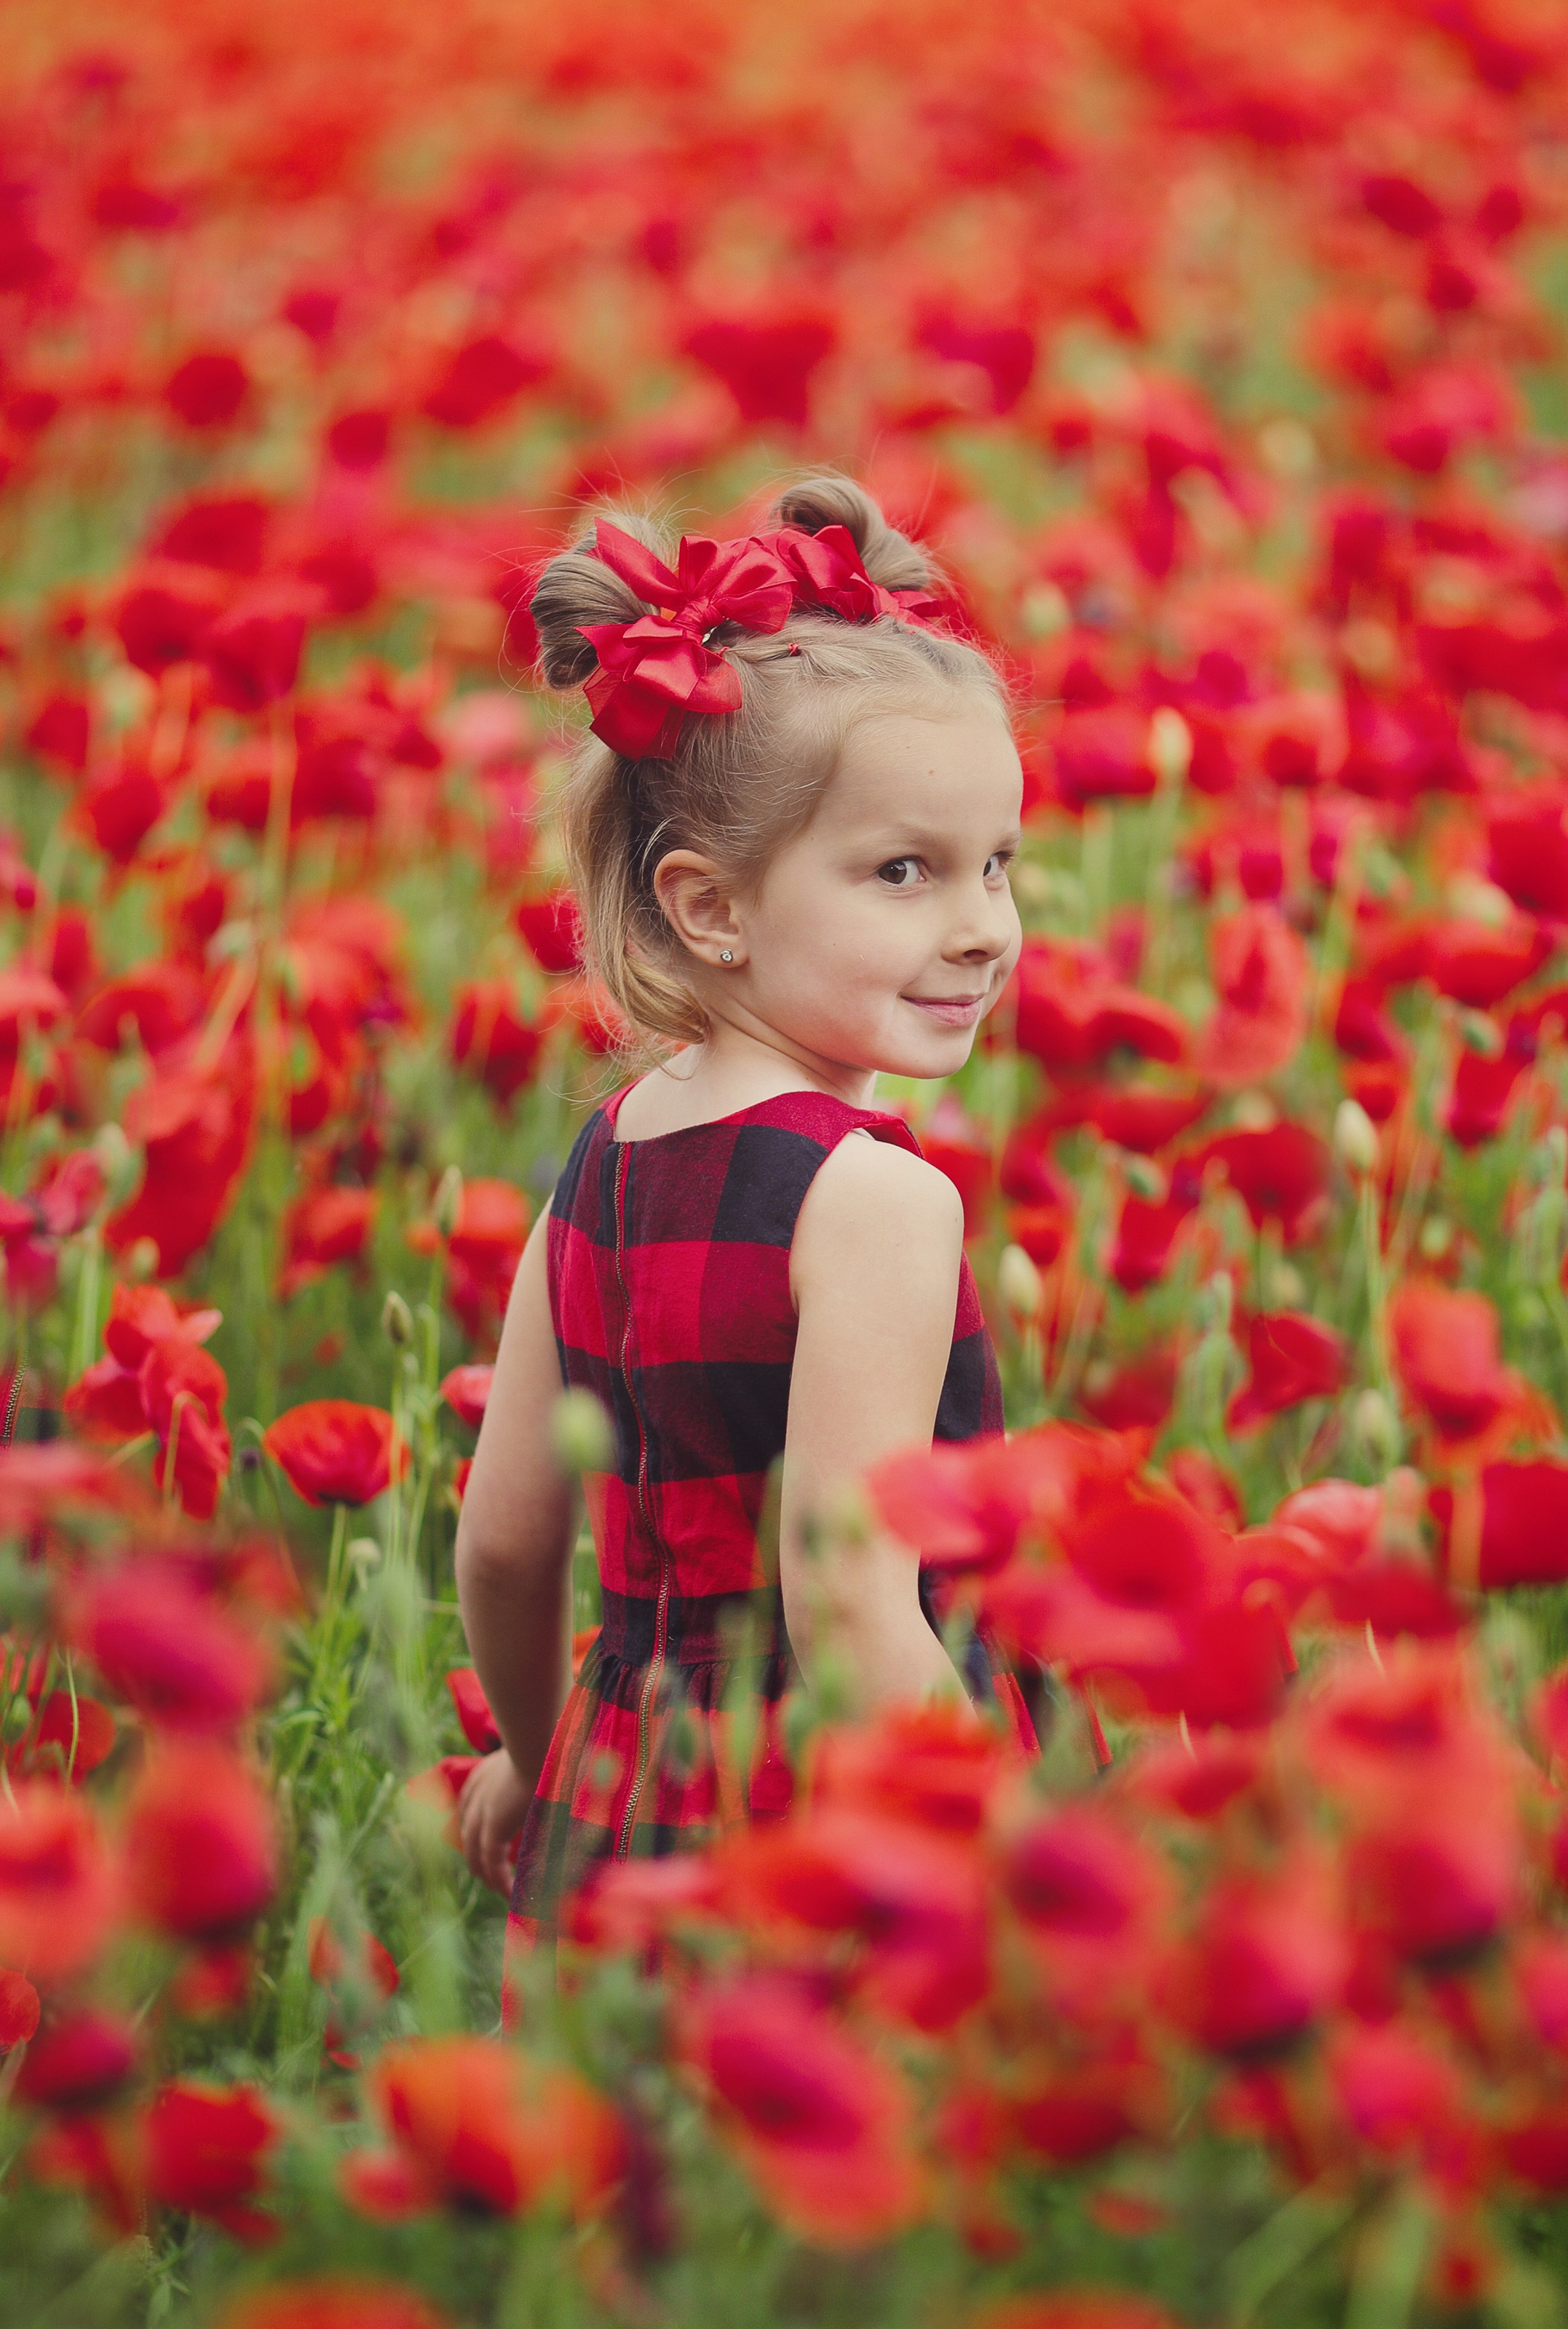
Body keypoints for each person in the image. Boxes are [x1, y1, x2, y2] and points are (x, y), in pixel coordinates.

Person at [453, 474, 1023, 1956]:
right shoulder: (875, 1196)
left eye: (996, 865)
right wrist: (1006, 1853)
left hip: (614, 1815)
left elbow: (505, 1546)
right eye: (903, 872)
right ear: (709, 908)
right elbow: (845, 1600)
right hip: (824, 1829)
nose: (979, 924)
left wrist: (536, 1757)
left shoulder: (601, 1159)